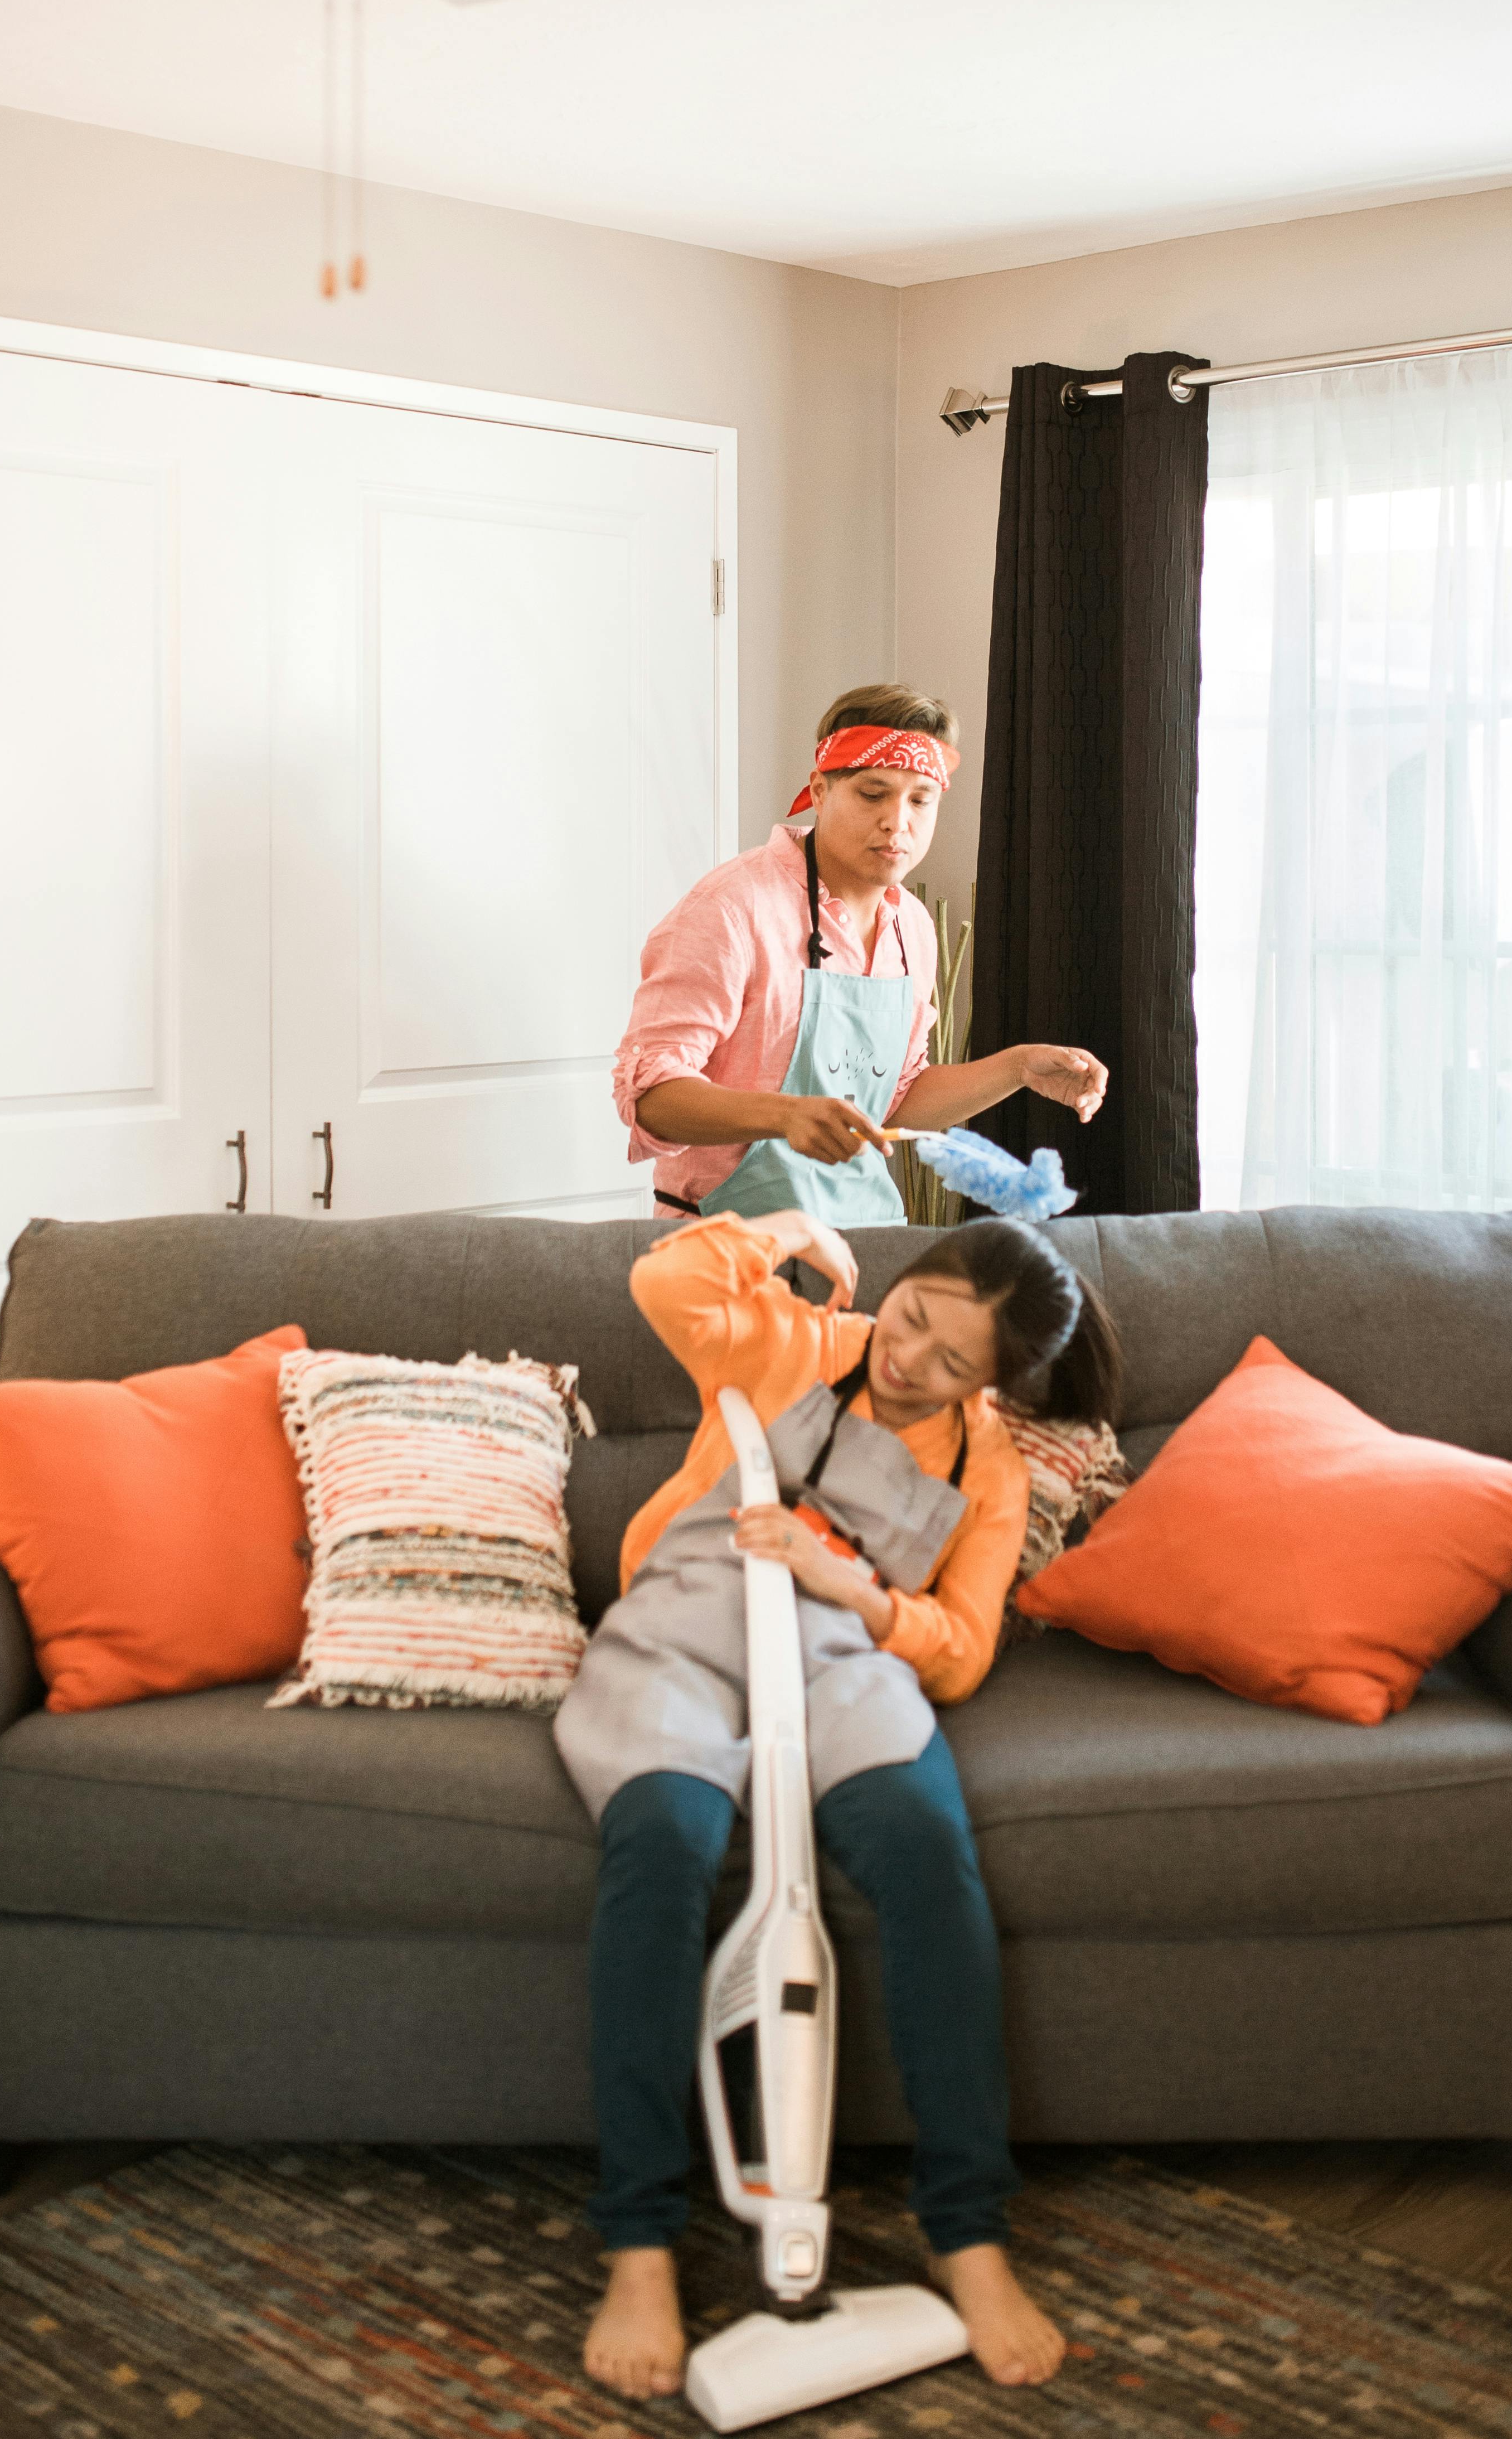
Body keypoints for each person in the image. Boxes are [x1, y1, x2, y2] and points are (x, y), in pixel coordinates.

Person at [556, 1202, 1125, 2402]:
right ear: (901, 1283)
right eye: (913, 1314)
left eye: (952, 1360)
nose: (910, 1357)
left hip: (840, 1660)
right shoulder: (797, 1343)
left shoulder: (989, 1465)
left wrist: (851, 1589)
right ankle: (642, 2243)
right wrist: (785, 1223)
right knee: (661, 1847)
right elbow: (666, 1283)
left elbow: (962, 1650)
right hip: (681, 1641)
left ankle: (966, 2233)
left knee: (928, 1853)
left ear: (993, 1384)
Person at [612, 683, 1108, 1226]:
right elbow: (652, 1095)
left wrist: (1016, 1067)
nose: (898, 821)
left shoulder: (911, 928)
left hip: (866, 1244)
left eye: (921, 799)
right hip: (727, 1247)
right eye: (873, 794)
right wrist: (785, 1116)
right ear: (820, 791)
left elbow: (895, 1097)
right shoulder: (732, 908)